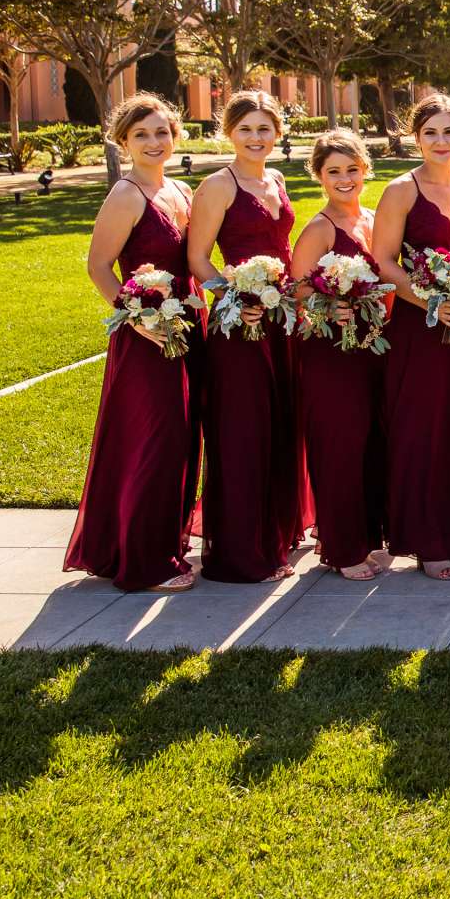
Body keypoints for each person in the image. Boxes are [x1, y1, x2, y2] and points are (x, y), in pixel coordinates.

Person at [65, 93, 201, 593]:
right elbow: (98, 266)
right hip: (146, 337)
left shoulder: (181, 191)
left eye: (161, 132)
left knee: (181, 441)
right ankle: (143, 561)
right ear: (122, 141)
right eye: (141, 134)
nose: (153, 142)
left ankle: (165, 539)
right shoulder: (126, 195)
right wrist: (137, 317)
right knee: (154, 441)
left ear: (175, 136)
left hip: (186, 329)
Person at [186, 89, 305, 583]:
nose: (256, 138)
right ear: (228, 133)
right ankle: (241, 550)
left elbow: (281, 245)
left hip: (280, 319)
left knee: (280, 424)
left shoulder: (276, 180)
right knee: (243, 432)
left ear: (278, 133)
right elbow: (197, 258)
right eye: (245, 129)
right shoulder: (218, 185)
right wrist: (235, 300)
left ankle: (275, 532)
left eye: (264, 129)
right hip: (241, 327)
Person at [371, 93, 450, 580]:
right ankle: (427, 541)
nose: (441, 141)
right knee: (424, 430)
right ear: (415, 137)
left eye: (449, 131)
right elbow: (383, 261)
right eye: (430, 133)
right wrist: (430, 302)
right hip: (420, 325)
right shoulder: (401, 189)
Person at [289, 128, 388, 580]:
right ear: (320, 177)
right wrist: (331, 306)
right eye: (334, 172)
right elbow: (297, 293)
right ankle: (343, 547)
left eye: (352, 169)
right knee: (340, 444)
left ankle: (367, 535)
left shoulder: (371, 219)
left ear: (365, 169)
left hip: (374, 347)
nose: (344, 179)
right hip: (332, 351)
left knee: (371, 442)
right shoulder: (319, 229)